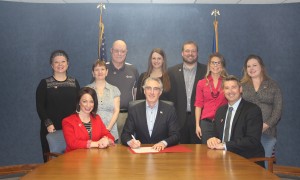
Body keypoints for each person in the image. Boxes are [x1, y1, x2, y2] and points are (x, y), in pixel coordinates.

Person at [207, 75, 265, 163]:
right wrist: (212, 139)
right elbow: (216, 134)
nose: (230, 91)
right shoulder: (220, 111)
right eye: (227, 88)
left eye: (233, 87)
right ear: (223, 91)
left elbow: (252, 140)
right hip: (222, 159)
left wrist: (225, 145)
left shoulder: (252, 110)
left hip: (246, 160)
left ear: (240, 89)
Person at [36, 50, 80, 162]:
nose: (60, 64)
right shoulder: (44, 83)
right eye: (56, 62)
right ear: (52, 65)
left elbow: (79, 105)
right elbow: (40, 106)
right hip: (51, 129)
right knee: (52, 163)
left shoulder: (74, 82)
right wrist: (48, 124)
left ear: (68, 64)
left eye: (63, 61)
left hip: (71, 129)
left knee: (72, 161)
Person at [241, 54, 282, 166]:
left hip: (267, 133)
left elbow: (278, 110)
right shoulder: (242, 86)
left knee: (265, 165)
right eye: (248, 66)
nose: (251, 68)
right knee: (247, 165)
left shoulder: (273, 85)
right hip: (246, 134)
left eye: (254, 65)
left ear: (262, 67)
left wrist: (266, 125)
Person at [121, 77, 180, 151]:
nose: (152, 92)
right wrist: (131, 142)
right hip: (141, 151)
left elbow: (176, 135)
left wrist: (163, 143)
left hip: (162, 153)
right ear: (144, 91)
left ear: (160, 92)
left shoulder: (169, 110)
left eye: (155, 89)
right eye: (148, 88)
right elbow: (125, 134)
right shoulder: (134, 110)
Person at [168, 40, 206, 144]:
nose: (190, 54)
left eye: (193, 51)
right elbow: (169, 98)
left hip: (199, 121)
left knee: (199, 154)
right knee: (179, 155)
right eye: (187, 51)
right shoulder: (171, 72)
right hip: (178, 120)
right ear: (182, 53)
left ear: (197, 53)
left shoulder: (207, 71)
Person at [105, 40, 139, 142]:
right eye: (116, 51)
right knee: (110, 148)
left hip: (128, 117)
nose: (119, 54)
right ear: (111, 51)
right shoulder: (103, 68)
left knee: (127, 146)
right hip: (108, 117)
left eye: (122, 51)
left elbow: (136, 93)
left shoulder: (132, 69)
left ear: (126, 52)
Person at [62, 87, 115, 152]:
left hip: (94, 158)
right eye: (84, 101)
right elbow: (72, 143)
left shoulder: (97, 118)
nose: (88, 105)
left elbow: (108, 135)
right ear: (79, 102)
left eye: (91, 102)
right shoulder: (68, 121)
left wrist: (107, 140)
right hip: (75, 159)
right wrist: (97, 143)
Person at [194, 53, 228, 144]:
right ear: (209, 65)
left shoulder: (227, 82)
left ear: (222, 65)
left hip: (223, 122)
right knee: (206, 152)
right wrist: (197, 125)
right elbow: (198, 105)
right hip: (206, 124)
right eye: (213, 63)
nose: (215, 65)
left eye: (218, 63)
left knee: (222, 151)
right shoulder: (201, 83)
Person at [86, 60, 120, 142]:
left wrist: (107, 129)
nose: (100, 72)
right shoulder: (87, 90)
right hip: (92, 132)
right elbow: (85, 112)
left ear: (107, 72)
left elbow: (116, 111)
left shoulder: (114, 89)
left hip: (111, 132)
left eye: (102, 69)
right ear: (93, 73)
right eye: (97, 70)